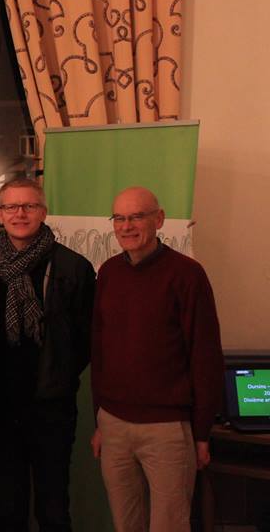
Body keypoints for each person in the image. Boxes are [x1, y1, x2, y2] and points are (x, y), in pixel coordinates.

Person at [90, 186, 224, 531]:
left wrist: (202, 432)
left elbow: (205, 355)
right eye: (119, 217)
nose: (127, 225)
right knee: (126, 525)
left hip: (167, 430)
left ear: (159, 219)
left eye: (137, 216)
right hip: (114, 425)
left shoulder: (188, 274)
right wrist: (99, 420)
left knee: (170, 526)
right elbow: (100, 350)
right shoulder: (107, 274)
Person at [0, 178, 95, 532]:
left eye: (28, 206)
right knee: (7, 510)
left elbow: (87, 338)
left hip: (51, 405)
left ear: (43, 211)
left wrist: (61, 373)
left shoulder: (74, 267)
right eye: (11, 207)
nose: (20, 213)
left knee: (53, 508)